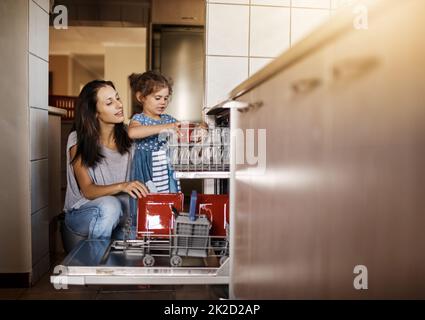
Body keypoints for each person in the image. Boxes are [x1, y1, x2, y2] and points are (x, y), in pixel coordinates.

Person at [63, 80, 148, 240]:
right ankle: (94, 265)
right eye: (109, 103)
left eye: (117, 98)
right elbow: (88, 191)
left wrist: (194, 130)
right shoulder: (77, 139)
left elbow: (160, 138)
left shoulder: (130, 136)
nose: (119, 105)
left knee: (143, 237)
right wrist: (123, 186)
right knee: (110, 206)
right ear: (94, 112)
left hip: (121, 217)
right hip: (83, 213)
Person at [128, 71, 181, 193]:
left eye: (166, 98)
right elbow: (132, 132)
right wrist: (165, 127)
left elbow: (183, 130)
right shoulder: (139, 118)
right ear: (141, 97)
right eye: (158, 98)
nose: (163, 102)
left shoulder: (168, 119)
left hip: (167, 167)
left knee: (170, 199)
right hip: (148, 168)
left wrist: (200, 129)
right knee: (150, 200)